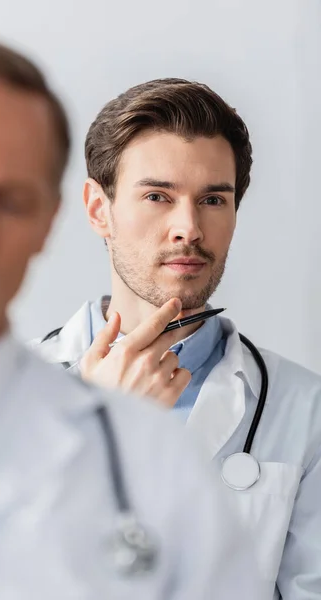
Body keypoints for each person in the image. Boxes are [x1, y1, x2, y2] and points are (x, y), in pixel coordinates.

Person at [0, 34, 262, 600]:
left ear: (45, 221)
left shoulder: (160, 444)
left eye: (9, 200)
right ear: (94, 211)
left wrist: (119, 433)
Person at [38, 78, 321, 599]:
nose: (188, 228)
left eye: (213, 199)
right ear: (100, 209)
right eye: (156, 196)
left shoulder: (306, 411)